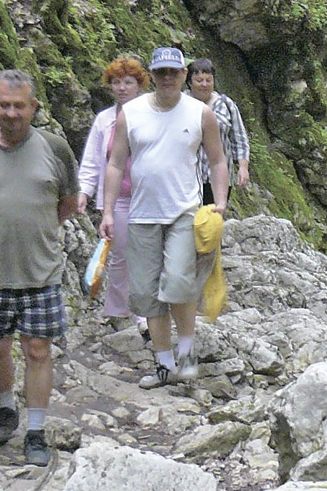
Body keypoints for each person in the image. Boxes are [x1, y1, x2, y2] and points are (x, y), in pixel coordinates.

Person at [0, 70, 78, 466]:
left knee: (38, 350)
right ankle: (7, 407)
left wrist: (39, 230)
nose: (11, 113)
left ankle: (37, 431)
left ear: (34, 108)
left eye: (19, 106)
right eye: (4, 105)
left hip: (40, 269)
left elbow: (69, 202)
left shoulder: (55, 149)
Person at [102, 46, 229, 388]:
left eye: (175, 72)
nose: (168, 78)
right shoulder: (131, 113)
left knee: (178, 283)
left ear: (184, 76)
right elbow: (115, 164)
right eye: (162, 73)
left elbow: (218, 160)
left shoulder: (200, 114)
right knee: (145, 293)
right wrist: (109, 209)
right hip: (142, 214)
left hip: (183, 212)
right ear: (153, 76)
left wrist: (219, 202)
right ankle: (164, 364)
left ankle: (187, 353)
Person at [75, 55, 151, 317]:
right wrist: (84, 190)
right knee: (118, 255)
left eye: (128, 82)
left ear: (139, 86)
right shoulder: (104, 119)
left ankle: (146, 312)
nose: (121, 88)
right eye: (116, 82)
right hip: (116, 197)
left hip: (147, 197)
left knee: (145, 254)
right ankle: (118, 310)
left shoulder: (152, 116)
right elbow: (92, 160)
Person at [186, 57, 251, 206]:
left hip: (218, 178)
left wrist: (243, 168)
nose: (204, 85)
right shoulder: (181, 103)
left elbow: (239, 138)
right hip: (187, 177)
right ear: (189, 82)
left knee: (211, 222)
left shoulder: (226, 104)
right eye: (199, 80)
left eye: (208, 80)